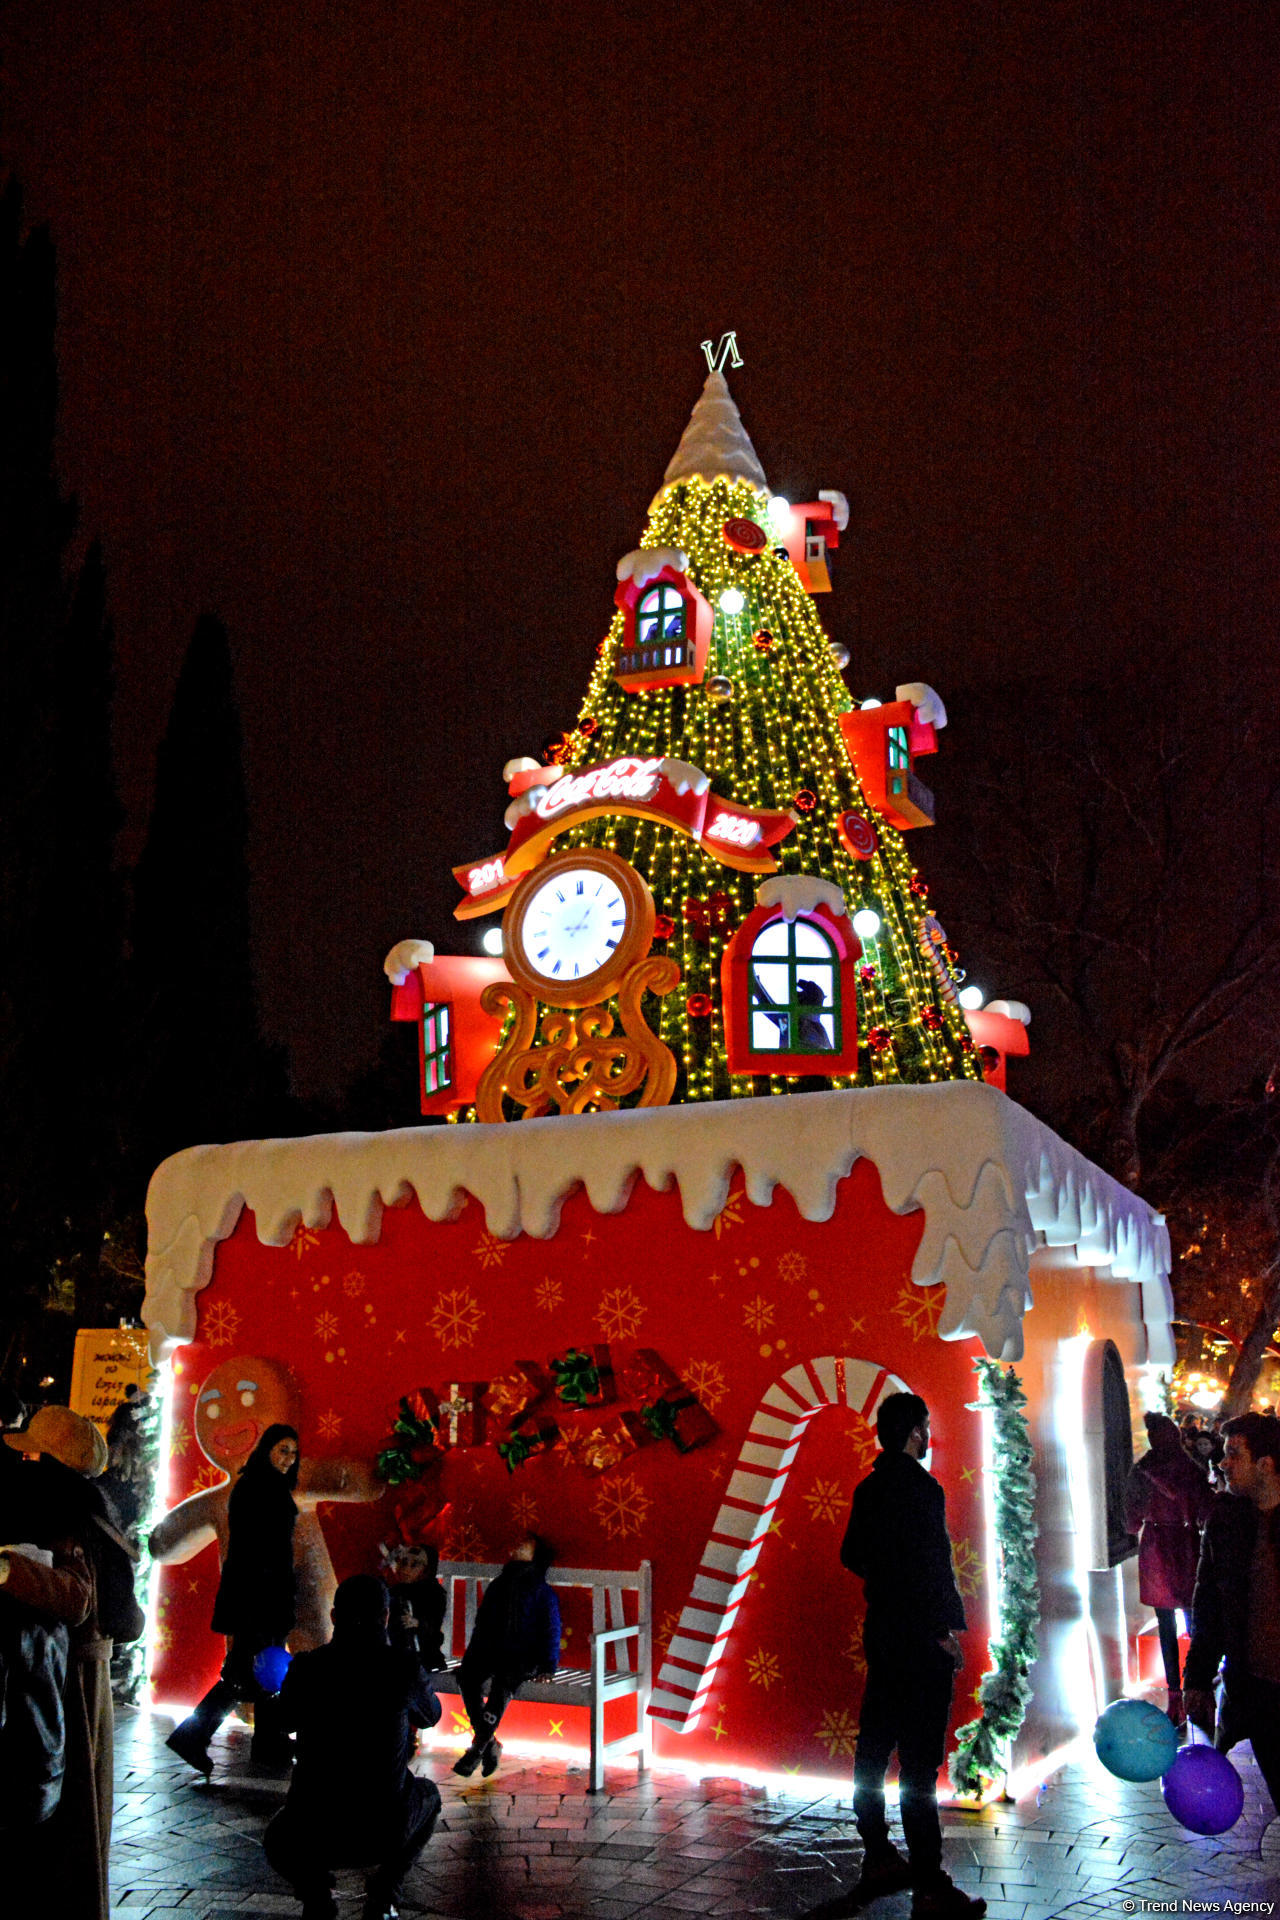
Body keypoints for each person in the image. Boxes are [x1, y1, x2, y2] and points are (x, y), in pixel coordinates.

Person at [823, 1392, 985, 1920]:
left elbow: (853, 1554)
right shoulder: (924, 1489)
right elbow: (934, 1566)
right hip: (920, 1640)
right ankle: (931, 1886)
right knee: (919, 1765)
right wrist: (942, 1632)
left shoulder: (869, 1488)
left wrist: (884, 1582)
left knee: (873, 1748)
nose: (929, 1433)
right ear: (915, 1432)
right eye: (927, 1425)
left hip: (883, 1632)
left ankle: (877, 1855)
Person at [3, 1403, 143, 1920]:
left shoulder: (56, 1512)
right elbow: (128, 1619)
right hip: (86, 1672)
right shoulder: (100, 1512)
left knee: (69, 1821)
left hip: (67, 1676)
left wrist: (10, 1571)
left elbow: (76, 1597)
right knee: (80, 1817)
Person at [263, 1573, 441, 1920]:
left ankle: (316, 1896)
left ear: (333, 1617)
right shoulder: (402, 1666)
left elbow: (282, 1723)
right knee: (429, 1796)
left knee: (277, 1839)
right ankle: (384, 1893)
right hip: (382, 1828)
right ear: (386, 1617)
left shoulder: (308, 1666)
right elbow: (431, 1715)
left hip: (311, 1829)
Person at [167, 1421, 300, 1775]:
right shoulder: (260, 1488)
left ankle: (267, 1742)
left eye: (293, 1452)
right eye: (283, 1450)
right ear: (268, 1449)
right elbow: (258, 1551)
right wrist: (271, 1597)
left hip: (261, 1595)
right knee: (247, 1670)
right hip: (260, 1597)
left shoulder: (264, 1486)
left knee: (265, 1669)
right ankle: (193, 1736)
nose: (289, 1459)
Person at [1184, 1411, 1280, 1814]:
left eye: (1234, 1454)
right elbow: (1207, 1606)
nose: (1223, 1463)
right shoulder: (1225, 1521)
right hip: (1258, 1692)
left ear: (1266, 1464)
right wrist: (1197, 1679)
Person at [1125, 1411, 1213, 1724]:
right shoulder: (1191, 1468)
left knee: (1165, 1625)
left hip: (1155, 1549)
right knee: (1195, 1618)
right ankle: (1198, 1687)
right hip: (1187, 1545)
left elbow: (1131, 1520)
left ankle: (1174, 1695)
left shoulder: (1142, 1470)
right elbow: (1205, 1510)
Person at [453, 1533, 559, 1778]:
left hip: (523, 1658)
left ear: (536, 1555)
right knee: (467, 1677)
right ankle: (490, 1743)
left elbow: (551, 1629)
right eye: (517, 1543)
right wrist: (471, 1658)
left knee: (502, 1685)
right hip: (491, 1652)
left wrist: (548, 1666)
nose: (517, 1546)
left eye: (525, 1545)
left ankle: (477, 1748)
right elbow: (482, 1624)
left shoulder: (541, 1591)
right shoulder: (499, 1584)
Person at [383, 1540, 448, 1671]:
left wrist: (417, 1623)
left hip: (426, 1654)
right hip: (399, 1653)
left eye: (414, 1565)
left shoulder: (435, 1593)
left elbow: (434, 1623)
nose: (406, 1569)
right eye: (404, 1562)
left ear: (426, 1570)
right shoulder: (394, 1592)